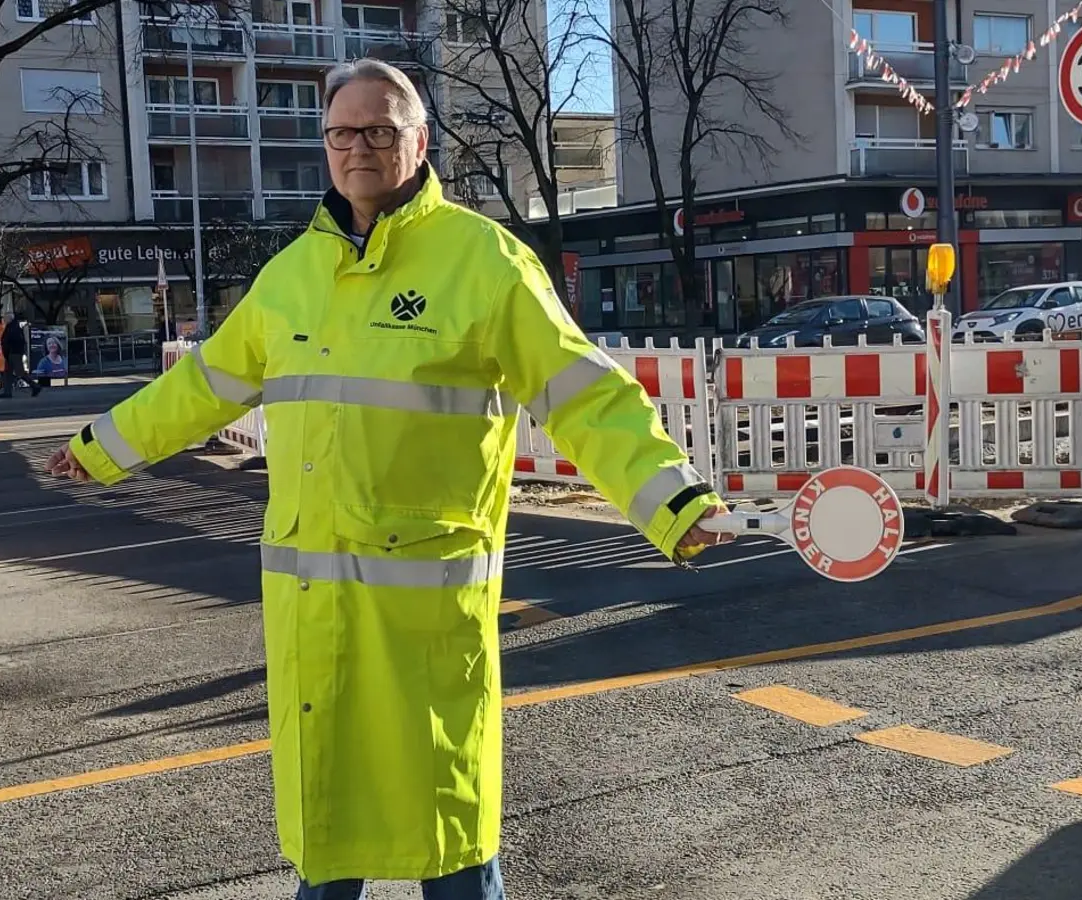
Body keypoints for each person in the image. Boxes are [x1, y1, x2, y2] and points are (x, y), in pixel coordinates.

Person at [46, 58, 731, 899]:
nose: (356, 148)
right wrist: (100, 444)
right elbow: (202, 386)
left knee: (449, 840)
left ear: (420, 141)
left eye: (377, 130)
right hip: (314, 614)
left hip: (423, 616)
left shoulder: (483, 263)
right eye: (341, 132)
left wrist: (669, 499)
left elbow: (584, 393)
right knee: (329, 841)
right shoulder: (292, 276)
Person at [0, 309, 38, 398]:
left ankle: (35, 386)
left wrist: (10, 350)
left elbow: (14, 341)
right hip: (11, 353)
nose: (4, 319)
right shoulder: (12, 327)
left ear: (10, 318)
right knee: (8, 373)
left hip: (13, 353)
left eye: (5, 317)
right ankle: (7, 392)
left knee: (20, 373)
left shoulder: (13, 328)